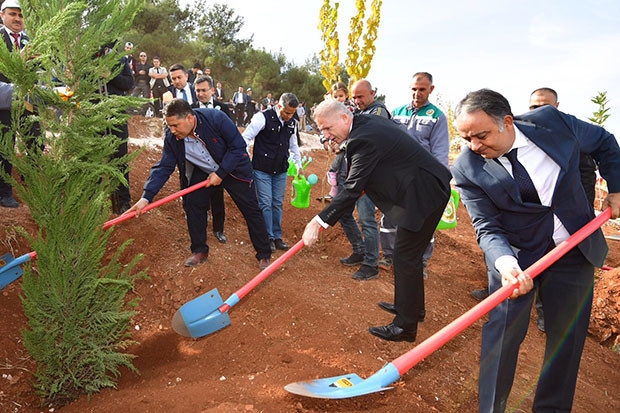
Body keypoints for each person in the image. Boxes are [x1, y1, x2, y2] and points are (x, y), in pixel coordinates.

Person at [450, 88, 620, 412]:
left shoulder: (552, 124)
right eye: (466, 138)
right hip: (516, 258)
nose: (474, 146)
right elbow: (487, 227)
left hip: (573, 251)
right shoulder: (467, 168)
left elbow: (605, 142)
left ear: (507, 122)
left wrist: (617, 188)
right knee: (502, 339)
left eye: (481, 135)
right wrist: (505, 264)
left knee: (565, 344)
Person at [302, 99, 452, 341]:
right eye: (322, 131)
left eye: (328, 129)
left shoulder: (364, 137)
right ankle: (413, 308)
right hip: (419, 190)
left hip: (424, 194)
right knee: (408, 257)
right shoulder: (363, 125)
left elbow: (351, 189)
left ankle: (405, 326)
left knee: (405, 257)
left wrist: (318, 222)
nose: (326, 136)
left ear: (344, 118)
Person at [126, 99, 272, 269]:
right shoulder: (172, 138)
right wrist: (146, 197)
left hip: (233, 168)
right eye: (169, 125)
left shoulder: (216, 118)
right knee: (194, 205)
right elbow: (164, 167)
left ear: (189, 118)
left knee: (251, 209)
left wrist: (221, 173)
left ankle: (264, 254)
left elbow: (238, 147)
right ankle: (199, 250)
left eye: (175, 125)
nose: (172, 130)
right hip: (203, 169)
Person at [385, 72, 449, 277]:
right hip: (397, 176)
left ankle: (420, 261)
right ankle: (388, 255)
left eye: (422, 89)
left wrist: (436, 181)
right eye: (414, 89)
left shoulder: (437, 117)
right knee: (390, 217)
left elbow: (440, 152)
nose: (417, 93)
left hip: (422, 179)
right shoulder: (396, 112)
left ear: (431, 89)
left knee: (421, 222)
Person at [242, 93, 302, 253]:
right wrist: (245, 155)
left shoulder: (292, 123)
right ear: (278, 106)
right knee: (265, 203)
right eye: (286, 112)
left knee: (277, 203)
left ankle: (277, 237)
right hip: (262, 169)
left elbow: (294, 145)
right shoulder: (262, 117)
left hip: (281, 169)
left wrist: (298, 165)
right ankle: (267, 237)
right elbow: (246, 137)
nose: (289, 116)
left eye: (292, 113)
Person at [0, 0, 38, 208]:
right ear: (2, 15)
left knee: (36, 141)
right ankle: (4, 191)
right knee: (6, 145)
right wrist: (19, 60)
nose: (17, 19)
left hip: (29, 101)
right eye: (13, 14)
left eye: (21, 16)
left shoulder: (30, 40)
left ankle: (31, 186)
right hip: (4, 101)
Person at [191, 75, 231, 243]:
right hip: (198, 162)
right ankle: (199, 232)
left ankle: (218, 229)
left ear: (212, 90)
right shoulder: (190, 109)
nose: (200, 94)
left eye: (204, 90)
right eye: (197, 91)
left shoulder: (223, 108)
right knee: (199, 198)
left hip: (218, 162)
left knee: (218, 198)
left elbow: (230, 132)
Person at [99, 42, 135, 214]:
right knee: (95, 159)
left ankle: (122, 201)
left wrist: (111, 76)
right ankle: (95, 202)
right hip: (94, 115)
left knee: (119, 158)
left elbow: (129, 83)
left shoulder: (120, 59)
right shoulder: (89, 56)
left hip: (117, 114)